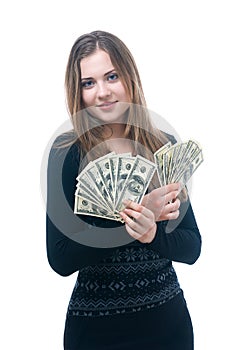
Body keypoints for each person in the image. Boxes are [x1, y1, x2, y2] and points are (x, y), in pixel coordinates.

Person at [46, 30, 201, 350]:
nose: (102, 92)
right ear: (79, 92)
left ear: (129, 77)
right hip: (96, 332)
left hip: (167, 326)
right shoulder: (67, 154)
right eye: (89, 83)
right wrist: (130, 222)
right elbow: (60, 258)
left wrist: (153, 235)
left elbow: (191, 246)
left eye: (111, 76)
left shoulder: (162, 146)